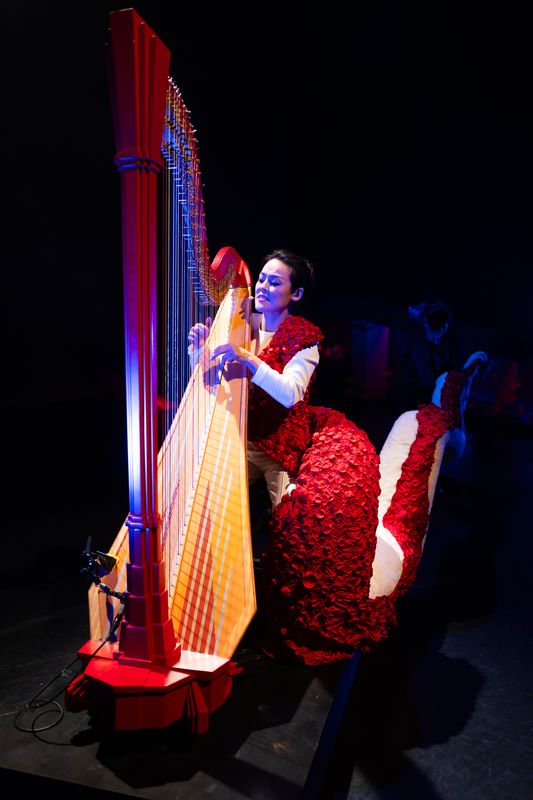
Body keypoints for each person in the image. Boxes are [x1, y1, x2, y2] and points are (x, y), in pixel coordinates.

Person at [188, 248, 323, 509]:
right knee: (206, 499)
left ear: (296, 294)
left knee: (290, 515)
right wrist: (200, 350)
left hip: (279, 449)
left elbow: (290, 394)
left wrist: (248, 358)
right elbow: (215, 381)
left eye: (275, 283)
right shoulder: (241, 323)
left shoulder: (304, 339)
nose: (262, 288)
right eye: (261, 279)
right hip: (240, 439)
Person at [390, 299, 460, 411]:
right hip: (415, 406)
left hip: (430, 403)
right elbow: (427, 382)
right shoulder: (418, 348)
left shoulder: (445, 345)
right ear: (426, 323)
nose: (441, 333)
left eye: (444, 327)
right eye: (437, 328)